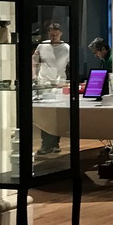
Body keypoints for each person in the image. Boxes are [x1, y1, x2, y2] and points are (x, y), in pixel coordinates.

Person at [33, 22, 70, 155]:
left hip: (59, 84)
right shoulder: (42, 46)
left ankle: (54, 143)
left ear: (60, 34)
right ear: (49, 33)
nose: (54, 36)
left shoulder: (66, 48)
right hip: (44, 84)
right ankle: (45, 143)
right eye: (52, 34)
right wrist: (34, 75)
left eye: (56, 34)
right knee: (46, 114)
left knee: (57, 114)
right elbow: (34, 60)